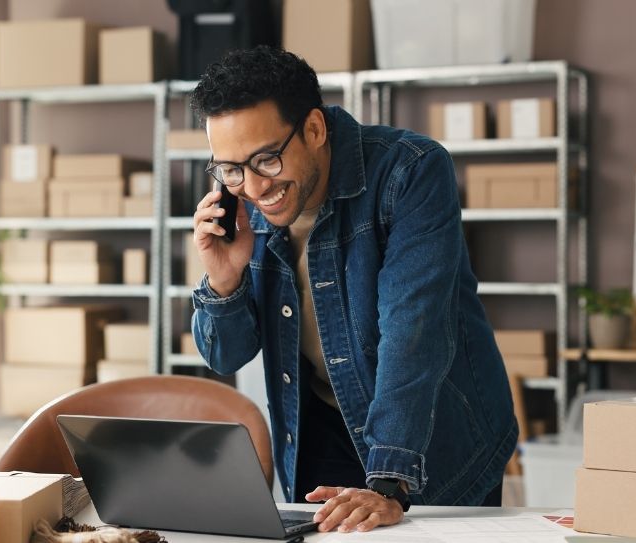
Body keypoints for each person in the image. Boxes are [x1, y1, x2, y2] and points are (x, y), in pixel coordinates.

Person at [189, 46, 517, 533]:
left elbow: (413, 332)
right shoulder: (242, 211)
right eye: (231, 169)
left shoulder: (410, 172)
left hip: (430, 441)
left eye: (266, 160)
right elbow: (226, 356)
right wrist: (223, 279)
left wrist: (388, 482)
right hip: (320, 432)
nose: (254, 188)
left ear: (314, 130)